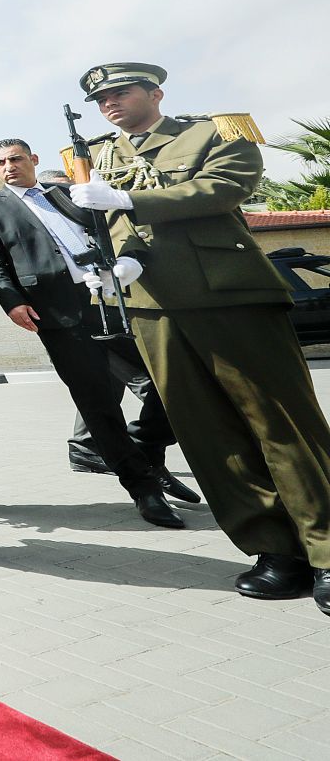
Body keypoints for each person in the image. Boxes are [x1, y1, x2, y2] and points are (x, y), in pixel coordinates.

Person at [71, 62, 330, 614]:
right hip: (150, 308)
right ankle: (274, 547)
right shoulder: (101, 155)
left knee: (281, 424)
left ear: (155, 93)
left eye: (121, 93)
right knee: (208, 434)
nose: (110, 104)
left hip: (225, 294)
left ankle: (328, 550)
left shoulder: (215, 132)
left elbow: (225, 188)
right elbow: (110, 225)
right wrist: (110, 263)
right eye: (102, 99)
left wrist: (131, 202)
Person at [0, 137, 183, 528]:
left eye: (15, 159)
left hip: (114, 299)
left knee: (171, 378)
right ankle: (142, 487)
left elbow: (114, 228)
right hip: (55, 313)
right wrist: (12, 302)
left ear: (33, 159)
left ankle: (146, 448)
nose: (8, 167)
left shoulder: (69, 193)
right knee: (96, 402)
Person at [34, 168, 197, 502]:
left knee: (128, 385)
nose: (70, 200)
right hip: (79, 318)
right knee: (146, 385)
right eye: (60, 192)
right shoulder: (40, 221)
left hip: (117, 309)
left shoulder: (100, 218)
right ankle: (141, 458)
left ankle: (94, 447)